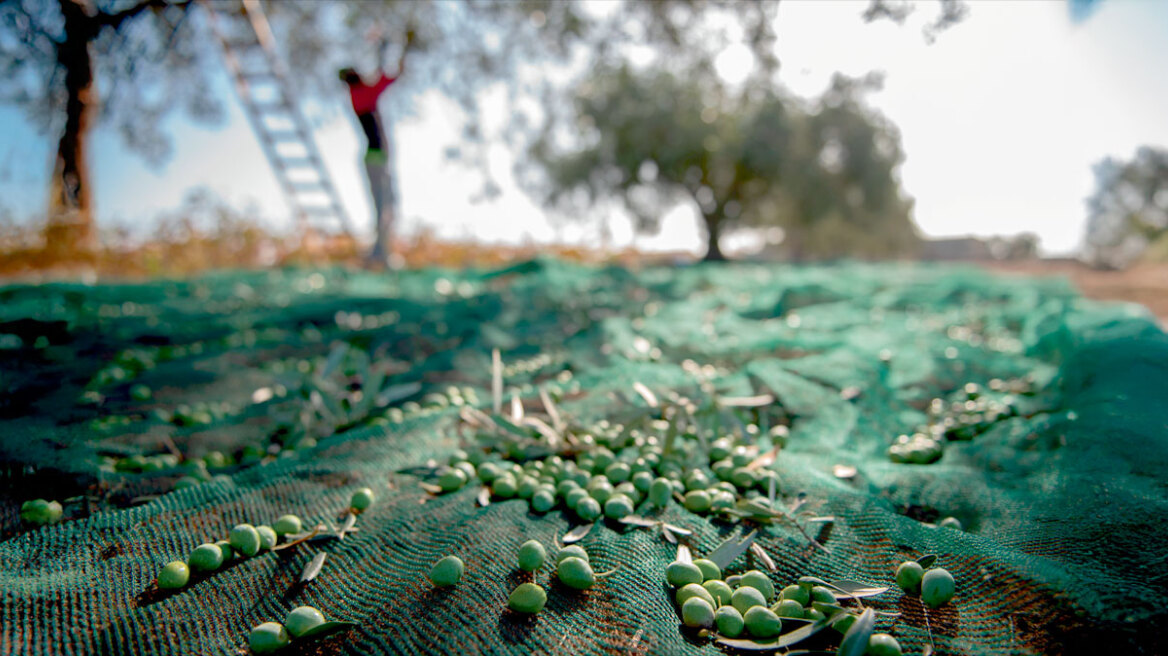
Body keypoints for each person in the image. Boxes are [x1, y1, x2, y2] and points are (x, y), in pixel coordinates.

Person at [339, 42, 406, 268]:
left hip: (372, 158)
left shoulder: (356, 95)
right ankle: (380, 255)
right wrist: (384, 49)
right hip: (376, 159)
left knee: (384, 206)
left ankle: (380, 252)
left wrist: (382, 48)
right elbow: (386, 77)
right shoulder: (364, 94)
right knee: (385, 206)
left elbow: (380, 76)